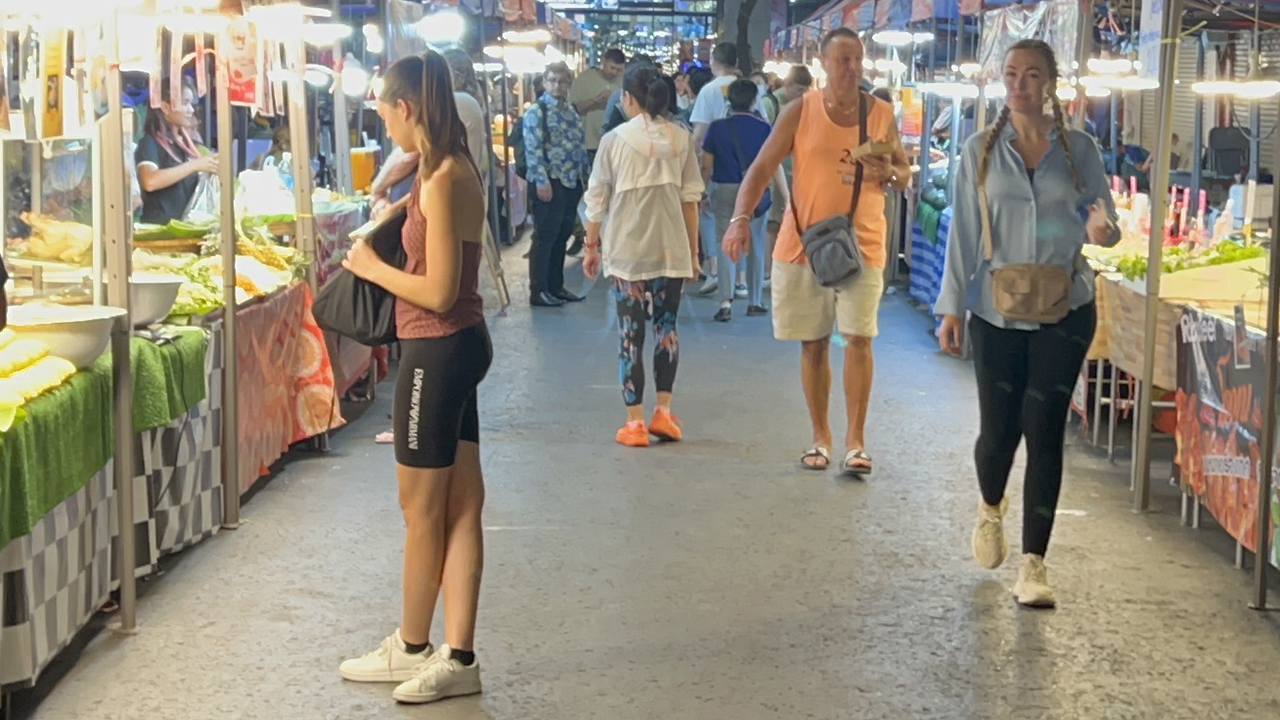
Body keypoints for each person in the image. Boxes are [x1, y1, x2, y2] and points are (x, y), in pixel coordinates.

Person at [935, 39, 1119, 609]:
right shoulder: (980, 151)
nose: (1020, 84)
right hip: (997, 309)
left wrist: (1102, 231)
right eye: (1012, 73)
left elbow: (1103, 217)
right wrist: (950, 307)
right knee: (999, 433)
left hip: (1067, 306)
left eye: (1033, 74)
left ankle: (1034, 564)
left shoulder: (1080, 150)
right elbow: (964, 233)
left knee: (1044, 429)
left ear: (1050, 84)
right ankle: (991, 505)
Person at [337, 50, 492, 705]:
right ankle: (456, 656)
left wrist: (373, 269)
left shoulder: (445, 178)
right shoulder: (443, 169)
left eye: (384, 114)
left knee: (421, 509)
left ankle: (412, 645)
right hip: (456, 348)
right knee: (460, 505)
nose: (384, 125)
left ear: (406, 107)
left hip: (437, 349)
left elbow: (439, 290)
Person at [723, 27, 909, 476]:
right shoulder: (799, 111)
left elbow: (903, 173)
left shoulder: (880, 113)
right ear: (823, 63)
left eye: (857, 59)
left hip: (863, 242)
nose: (852, 67)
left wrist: (890, 172)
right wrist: (739, 218)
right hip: (806, 243)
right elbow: (762, 168)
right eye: (843, 59)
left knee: (859, 338)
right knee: (814, 342)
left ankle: (856, 442)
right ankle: (820, 437)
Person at [582, 64, 703, 448]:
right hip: (670, 249)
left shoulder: (613, 140)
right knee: (666, 330)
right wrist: (693, 254)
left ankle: (634, 423)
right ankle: (663, 413)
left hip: (627, 252)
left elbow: (597, 200)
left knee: (630, 334)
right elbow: (690, 201)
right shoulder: (682, 139)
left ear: (628, 98)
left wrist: (591, 246)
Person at [702, 78, 788, 321]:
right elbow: (774, 165)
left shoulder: (716, 128)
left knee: (724, 242)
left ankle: (725, 302)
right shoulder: (764, 129)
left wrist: (702, 191)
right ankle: (755, 301)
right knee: (756, 244)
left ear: (729, 100)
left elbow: (706, 165)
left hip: (725, 190)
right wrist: (786, 196)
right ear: (754, 100)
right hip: (756, 191)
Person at [691, 43, 758, 298]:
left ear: (713, 61)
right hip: (747, 169)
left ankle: (716, 269)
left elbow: (699, 133)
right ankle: (741, 279)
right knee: (743, 220)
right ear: (736, 62)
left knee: (710, 217)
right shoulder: (749, 89)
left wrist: (690, 163)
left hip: (715, 165)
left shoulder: (708, 91)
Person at [524, 62, 590, 308]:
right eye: (552, 81)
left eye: (562, 81)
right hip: (549, 181)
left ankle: (555, 286)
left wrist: (585, 179)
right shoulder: (537, 111)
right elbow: (533, 149)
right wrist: (542, 181)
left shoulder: (571, 110)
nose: (557, 86)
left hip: (571, 181)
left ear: (569, 84)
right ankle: (539, 289)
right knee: (545, 236)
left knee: (562, 234)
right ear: (544, 81)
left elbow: (579, 145)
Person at [135, 80, 217, 224]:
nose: (191, 110)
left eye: (191, 103)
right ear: (165, 107)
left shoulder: (184, 145)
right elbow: (150, 181)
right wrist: (196, 165)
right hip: (160, 230)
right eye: (185, 103)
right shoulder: (149, 142)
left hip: (185, 227)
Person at [569, 48, 626, 165]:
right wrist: (595, 99)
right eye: (612, 68)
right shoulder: (584, 79)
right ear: (604, 62)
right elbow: (572, 109)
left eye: (618, 70)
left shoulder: (623, 82)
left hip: (615, 143)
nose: (614, 72)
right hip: (590, 144)